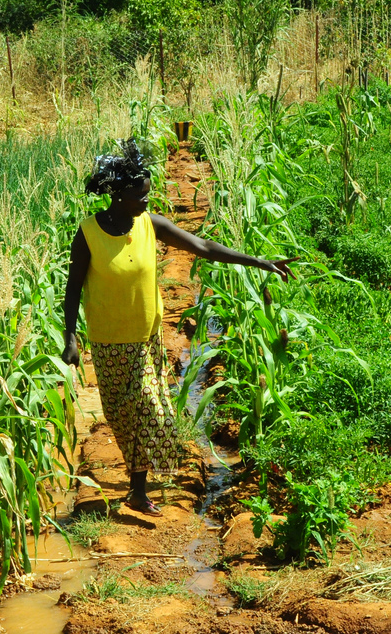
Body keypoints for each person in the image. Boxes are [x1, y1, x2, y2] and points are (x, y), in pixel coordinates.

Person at [61, 139, 297, 517]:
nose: (146, 202)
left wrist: (260, 261)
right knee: (124, 418)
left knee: (153, 411)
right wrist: (70, 336)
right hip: (109, 343)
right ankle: (137, 490)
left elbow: (203, 245)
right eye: (140, 196)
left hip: (146, 339)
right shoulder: (88, 234)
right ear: (119, 196)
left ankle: (140, 488)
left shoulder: (150, 225)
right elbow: (73, 288)